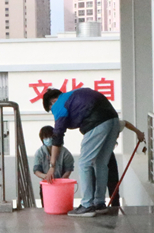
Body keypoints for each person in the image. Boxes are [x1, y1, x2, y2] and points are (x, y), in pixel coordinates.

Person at [41, 87, 121, 217]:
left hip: (97, 122)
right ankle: (99, 203)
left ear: (52, 101)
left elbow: (58, 136)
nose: (53, 112)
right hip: (114, 120)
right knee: (101, 163)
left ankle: (87, 205)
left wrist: (52, 165)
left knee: (84, 163)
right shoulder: (72, 96)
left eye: (51, 109)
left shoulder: (59, 104)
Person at [32, 125, 74, 206]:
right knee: (47, 207)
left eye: (50, 137)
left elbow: (69, 169)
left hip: (62, 186)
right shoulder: (39, 153)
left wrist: (60, 181)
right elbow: (36, 170)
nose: (48, 139)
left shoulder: (64, 152)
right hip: (46, 186)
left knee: (61, 206)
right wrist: (46, 177)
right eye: (45, 137)